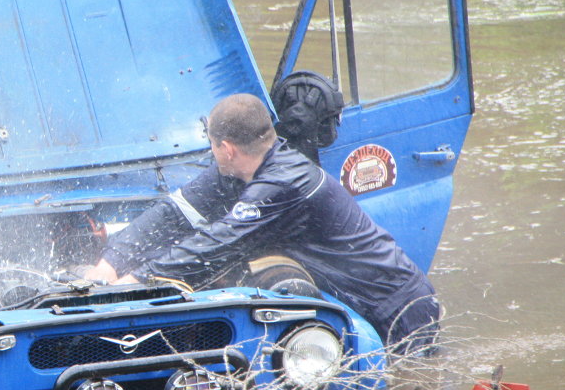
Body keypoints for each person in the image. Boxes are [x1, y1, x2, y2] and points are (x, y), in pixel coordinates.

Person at [85, 93, 439, 354]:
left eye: (211, 146)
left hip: (398, 308)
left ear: (226, 148)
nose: (212, 154)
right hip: (358, 300)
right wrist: (109, 264)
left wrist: (140, 279)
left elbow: (220, 240)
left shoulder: (285, 181)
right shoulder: (237, 170)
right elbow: (171, 214)